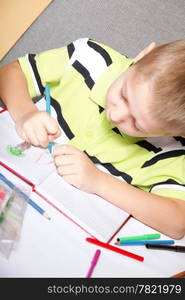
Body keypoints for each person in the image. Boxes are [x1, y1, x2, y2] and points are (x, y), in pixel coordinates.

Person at [0, 37, 185, 239]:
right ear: (143, 55)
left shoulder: (173, 153)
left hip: (54, 232)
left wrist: (98, 181)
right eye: (123, 95)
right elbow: (10, 73)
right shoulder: (89, 58)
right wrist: (25, 113)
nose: (115, 115)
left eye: (137, 125)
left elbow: (177, 223)